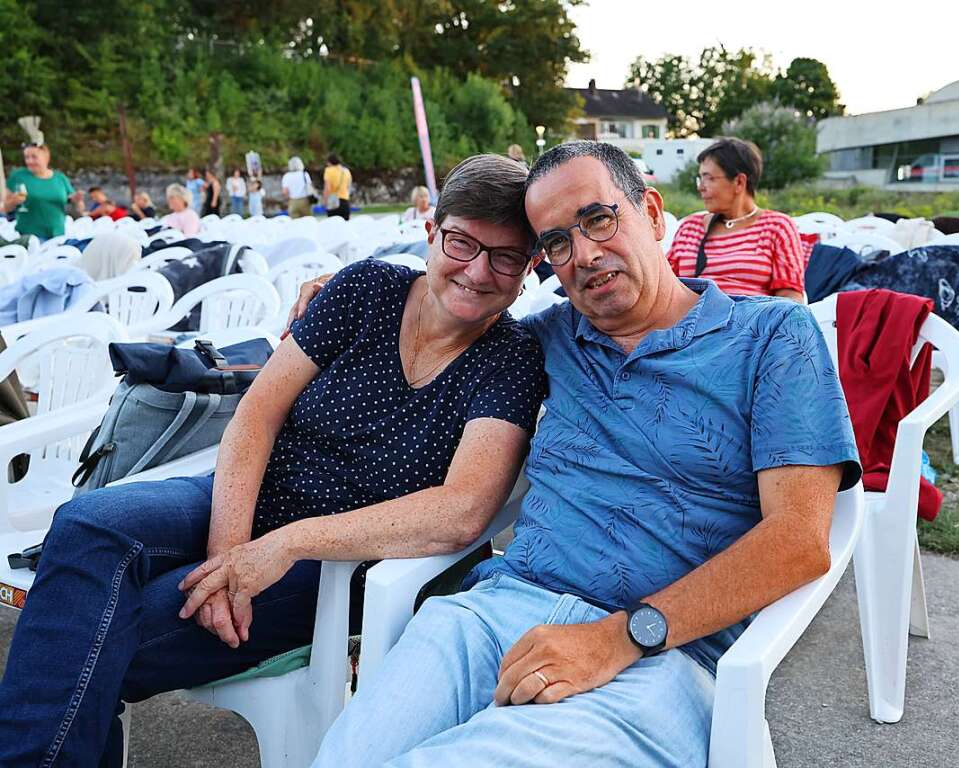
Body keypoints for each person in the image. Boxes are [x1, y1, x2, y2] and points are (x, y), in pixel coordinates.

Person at [305, 141, 860, 767]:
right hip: (488, 617)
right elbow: (446, 305)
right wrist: (353, 298)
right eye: (558, 242)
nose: (585, 255)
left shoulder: (771, 338)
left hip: (660, 657)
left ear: (652, 213)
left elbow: (799, 539)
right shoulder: (542, 342)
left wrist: (621, 636)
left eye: (599, 218)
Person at [0, 154, 547, 767]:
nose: (477, 271)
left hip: (336, 561)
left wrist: (285, 545)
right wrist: (229, 552)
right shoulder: (366, 289)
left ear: (531, 267)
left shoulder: (512, 358)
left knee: (91, 639)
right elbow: (255, 417)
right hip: (245, 497)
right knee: (86, 524)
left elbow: (464, 510)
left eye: (505, 257)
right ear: (431, 230)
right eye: (462, 243)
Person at [667, 138, 806, 301]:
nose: (700, 187)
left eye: (709, 178)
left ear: (739, 182)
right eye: (700, 178)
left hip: (750, 324)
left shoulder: (777, 227)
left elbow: (790, 299)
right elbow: (663, 286)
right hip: (690, 323)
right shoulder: (690, 227)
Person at [2, 143, 83, 239]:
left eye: (34, 157)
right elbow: (5, 208)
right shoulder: (18, 176)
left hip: (58, 235)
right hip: (29, 237)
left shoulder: (60, 178)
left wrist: (77, 201)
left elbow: (79, 208)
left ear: (46, 157)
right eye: (26, 157)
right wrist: (13, 202)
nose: (29, 161)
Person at [323, 153, 353, 220]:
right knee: (345, 226)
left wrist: (325, 201)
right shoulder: (346, 171)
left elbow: (327, 188)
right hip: (345, 201)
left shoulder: (328, 170)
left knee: (333, 226)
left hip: (333, 202)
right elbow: (348, 186)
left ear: (329, 162)